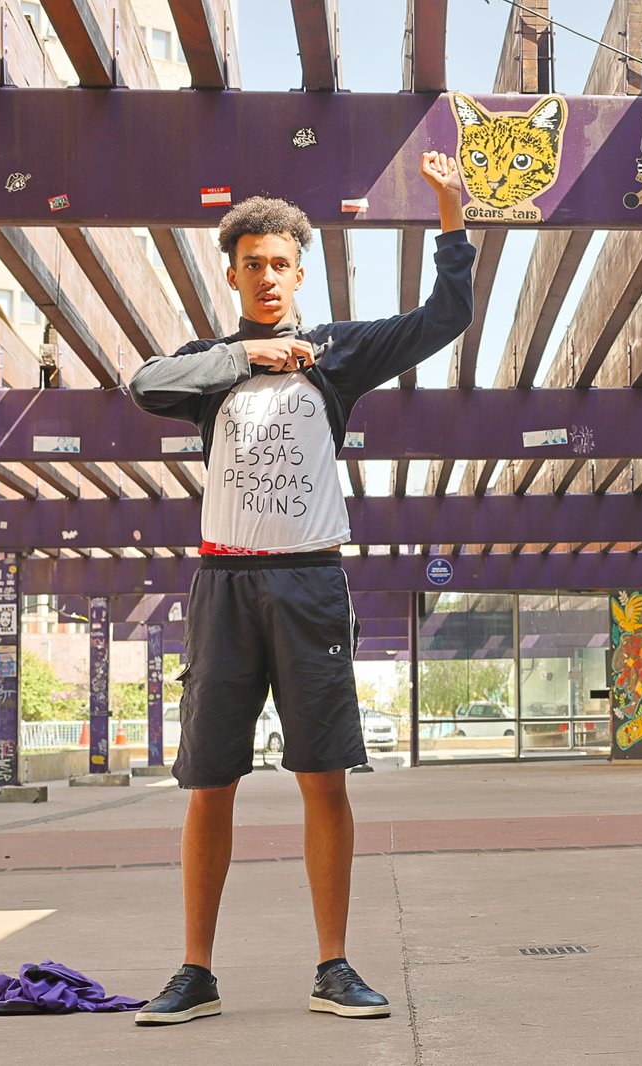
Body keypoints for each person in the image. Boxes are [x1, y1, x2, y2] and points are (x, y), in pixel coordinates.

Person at [126, 153, 474, 1025]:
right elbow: (143, 383)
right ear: (234, 275)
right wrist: (245, 357)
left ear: (299, 270)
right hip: (224, 586)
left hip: (312, 581)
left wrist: (452, 218)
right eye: (253, 265)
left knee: (324, 777)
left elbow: (448, 317)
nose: (269, 277)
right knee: (211, 782)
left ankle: (334, 967)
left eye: (282, 264)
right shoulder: (210, 361)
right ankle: (195, 974)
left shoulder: (339, 356)